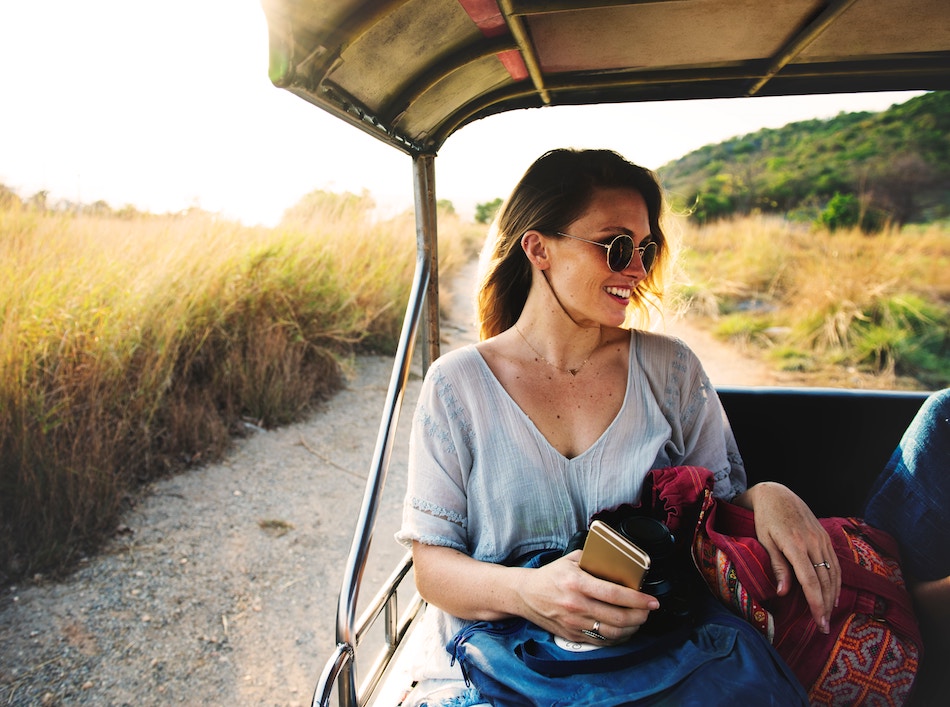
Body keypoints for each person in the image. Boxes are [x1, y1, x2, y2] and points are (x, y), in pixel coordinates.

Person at [395, 148, 841, 706]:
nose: (637, 268)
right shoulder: (456, 386)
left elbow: (718, 507)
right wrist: (528, 593)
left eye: (646, 248)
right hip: (504, 658)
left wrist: (771, 495)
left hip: (661, 652)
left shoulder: (671, 369)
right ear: (538, 249)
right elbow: (433, 568)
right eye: (617, 246)